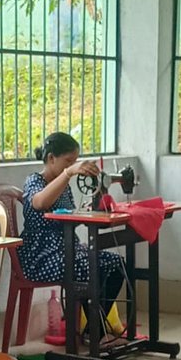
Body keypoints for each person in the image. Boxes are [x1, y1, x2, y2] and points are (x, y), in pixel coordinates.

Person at [21, 131, 125, 338]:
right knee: (89, 265)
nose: (73, 166)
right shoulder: (35, 181)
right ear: (51, 158)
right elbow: (39, 203)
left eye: (74, 162)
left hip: (68, 249)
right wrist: (68, 173)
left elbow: (65, 215)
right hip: (41, 256)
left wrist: (87, 210)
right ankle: (95, 331)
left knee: (116, 264)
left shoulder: (64, 187)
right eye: (68, 161)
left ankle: (95, 327)